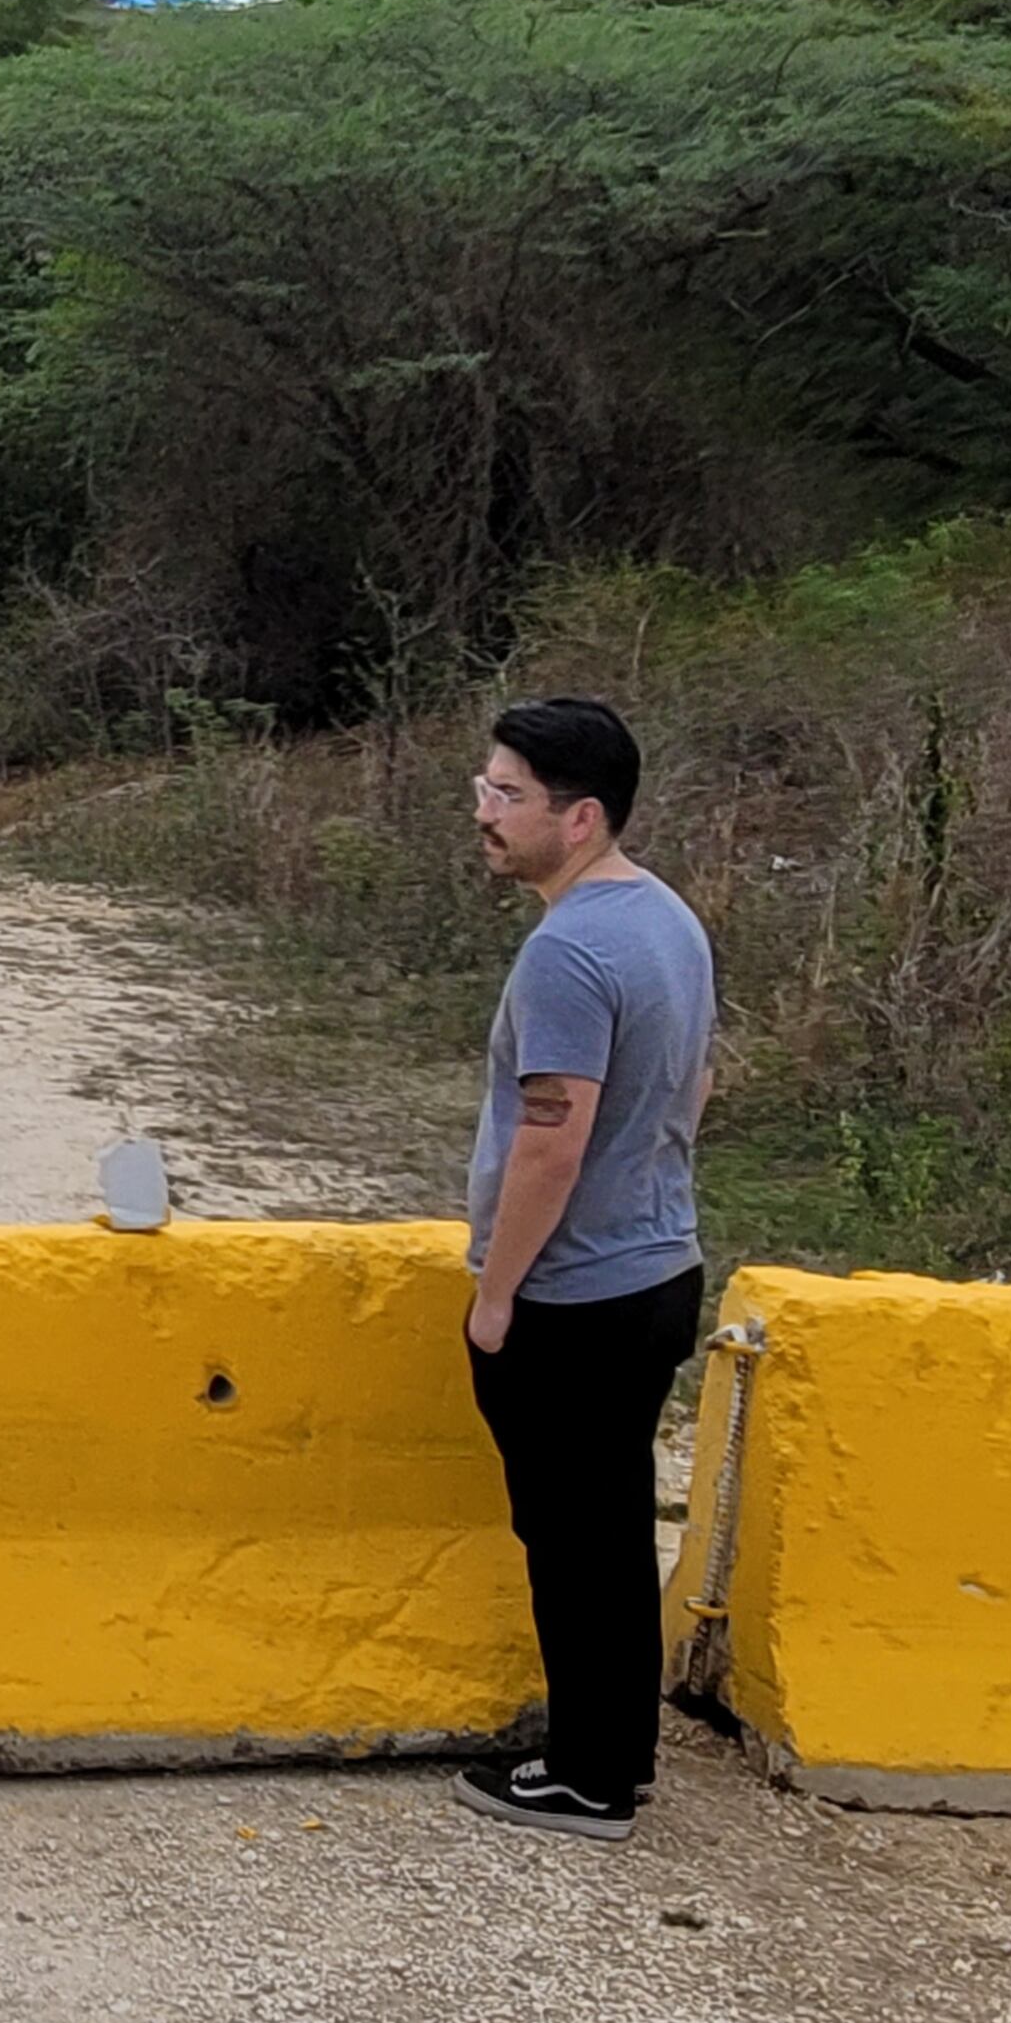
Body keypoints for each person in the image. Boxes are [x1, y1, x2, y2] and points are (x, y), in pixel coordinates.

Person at [453, 698, 717, 1842]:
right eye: (486, 787)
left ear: (583, 816)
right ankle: (617, 1753)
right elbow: (697, 1082)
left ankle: (587, 1776)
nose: (485, 813)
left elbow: (552, 1138)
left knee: (572, 1539)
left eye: (510, 797)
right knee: (611, 1531)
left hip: (577, 1293)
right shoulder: (664, 917)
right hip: (661, 1265)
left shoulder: (568, 950)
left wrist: (499, 1292)